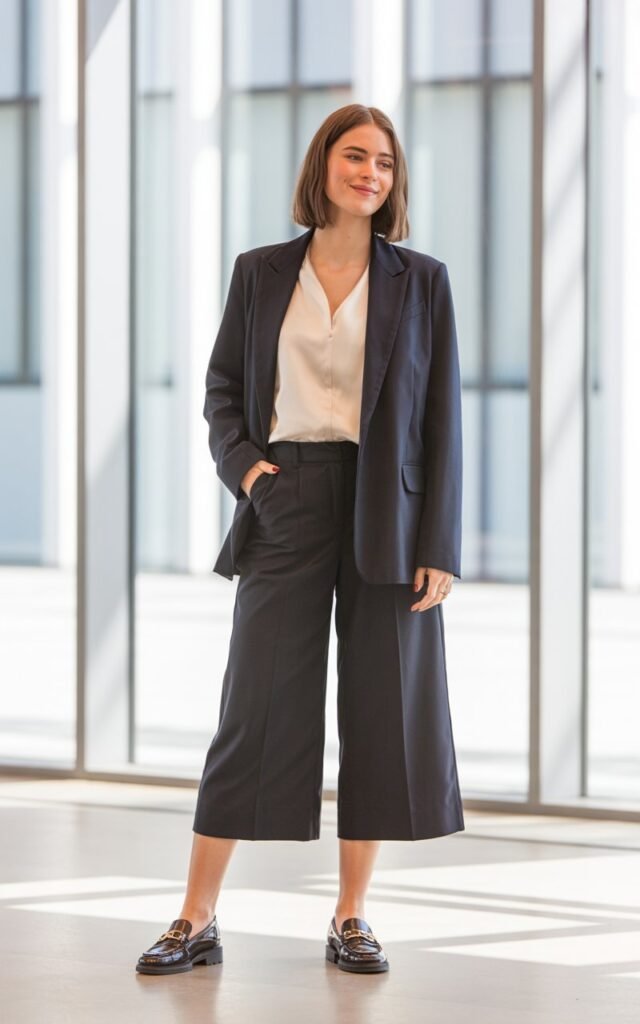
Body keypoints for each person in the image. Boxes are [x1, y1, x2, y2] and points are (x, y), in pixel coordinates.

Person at [136, 103, 464, 977]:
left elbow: (442, 422)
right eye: (355, 156)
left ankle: (352, 916)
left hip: (389, 511)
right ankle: (194, 916)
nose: (371, 173)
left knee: (381, 711)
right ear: (323, 165)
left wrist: (441, 544)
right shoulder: (261, 271)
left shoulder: (422, 280)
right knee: (254, 709)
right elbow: (222, 391)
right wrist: (249, 474)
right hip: (286, 494)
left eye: (386, 163)